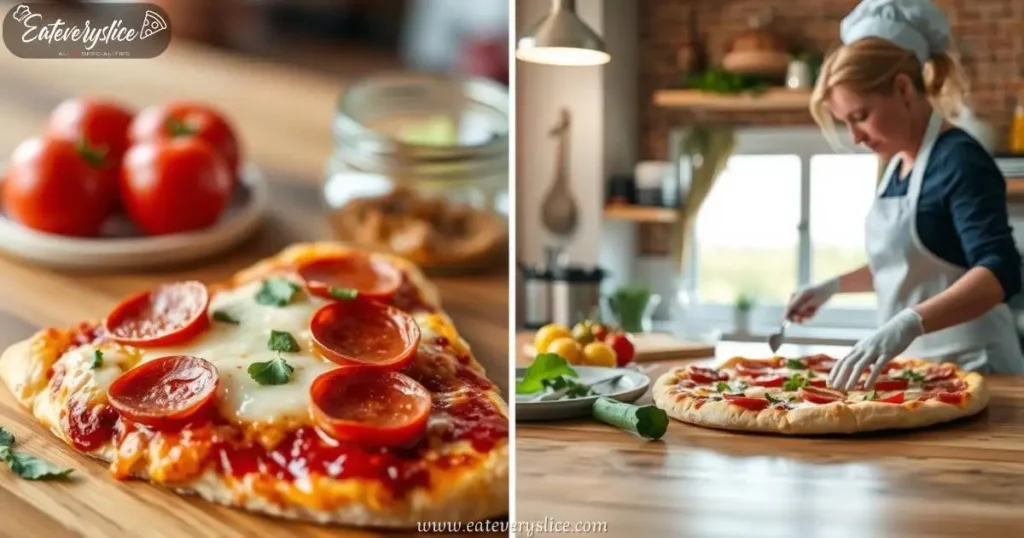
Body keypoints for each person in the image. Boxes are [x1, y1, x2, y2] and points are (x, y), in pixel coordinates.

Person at [786, 0, 1024, 390]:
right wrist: (831, 287)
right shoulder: (898, 166)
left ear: (902, 88)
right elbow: (908, 266)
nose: (855, 136)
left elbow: (999, 271)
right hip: (919, 372)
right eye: (845, 123)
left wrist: (908, 322)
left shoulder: (960, 160)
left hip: (979, 368)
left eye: (860, 116)